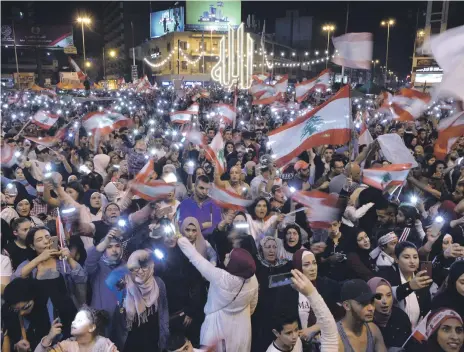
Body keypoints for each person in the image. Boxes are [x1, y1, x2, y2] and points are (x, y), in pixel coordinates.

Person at [177, 236, 258, 352]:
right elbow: (253, 306)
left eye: (230, 257)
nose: (226, 255)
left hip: (217, 329)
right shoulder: (253, 278)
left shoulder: (221, 277)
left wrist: (181, 239)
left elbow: (195, 258)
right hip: (241, 329)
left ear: (235, 265)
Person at [14, 226, 87, 337]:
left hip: (67, 315)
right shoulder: (28, 265)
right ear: (32, 246)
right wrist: (39, 258)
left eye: (47, 237)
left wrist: (69, 258)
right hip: (39, 318)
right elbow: (16, 280)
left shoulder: (62, 263)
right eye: (39, 239)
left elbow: (82, 278)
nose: (45, 241)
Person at [107, 249, 169, 352]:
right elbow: (110, 280)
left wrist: (164, 335)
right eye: (136, 267)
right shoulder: (123, 282)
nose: (140, 271)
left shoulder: (158, 283)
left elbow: (163, 312)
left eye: (144, 266)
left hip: (152, 339)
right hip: (128, 339)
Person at [267, 269, 339, 352]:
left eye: (296, 330)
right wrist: (311, 293)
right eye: (288, 333)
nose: (294, 336)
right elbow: (329, 329)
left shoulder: (297, 342)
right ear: (276, 333)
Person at [378, 241, 432, 328]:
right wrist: (409, 286)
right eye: (406, 257)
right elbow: (388, 296)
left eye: (415, 257)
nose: (412, 261)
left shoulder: (421, 278)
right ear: (396, 259)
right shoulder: (386, 275)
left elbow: (427, 309)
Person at [85, 229, 126, 333]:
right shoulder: (97, 266)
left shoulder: (126, 266)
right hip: (101, 319)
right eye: (109, 247)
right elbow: (89, 262)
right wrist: (105, 242)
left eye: (117, 246)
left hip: (122, 319)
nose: (114, 250)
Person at [34, 306, 118, 352]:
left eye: (80, 320)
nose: (73, 323)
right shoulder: (66, 346)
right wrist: (49, 337)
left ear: (92, 327)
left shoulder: (105, 346)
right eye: (74, 320)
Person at [337, 279, 387, 352]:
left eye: (372, 302)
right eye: (363, 303)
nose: (371, 308)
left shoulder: (373, 329)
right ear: (347, 305)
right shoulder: (336, 337)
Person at [2, 278, 51, 352]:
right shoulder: (8, 312)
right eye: (16, 310)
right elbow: (8, 340)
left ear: (34, 298)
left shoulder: (47, 305)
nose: (21, 313)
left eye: (25, 307)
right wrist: (15, 346)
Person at [367, 277, 412, 349]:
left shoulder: (401, 316)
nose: (385, 301)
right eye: (378, 296)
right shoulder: (364, 322)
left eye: (388, 295)